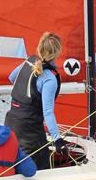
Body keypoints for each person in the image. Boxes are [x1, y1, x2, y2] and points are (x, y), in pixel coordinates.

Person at [5, 31, 68, 170]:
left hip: (12, 124)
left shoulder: (28, 62)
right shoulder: (49, 79)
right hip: (30, 133)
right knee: (41, 171)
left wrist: (28, 94)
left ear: (39, 48)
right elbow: (48, 113)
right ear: (57, 52)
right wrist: (57, 140)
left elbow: (12, 77)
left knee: (16, 166)